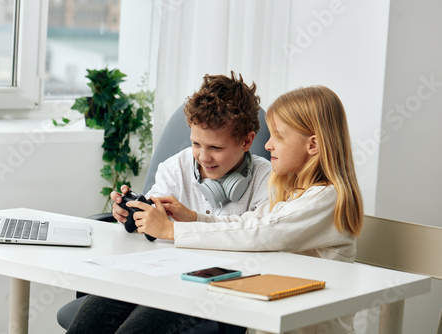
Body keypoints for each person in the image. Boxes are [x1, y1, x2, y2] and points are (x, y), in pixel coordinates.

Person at [130, 86, 364, 334]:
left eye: (279, 137)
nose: (269, 145)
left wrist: (172, 231)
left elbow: (259, 232)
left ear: (313, 145)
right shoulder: (296, 193)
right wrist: (193, 218)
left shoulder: (325, 198)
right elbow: (246, 222)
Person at [66, 72, 272, 334]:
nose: (203, 157)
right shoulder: (177, 166)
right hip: (157, 274)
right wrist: (132, 216)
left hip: (211, 289)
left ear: (247, 141)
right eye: (196, 143)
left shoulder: (266, 178)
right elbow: (151, 222)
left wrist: (190, 221)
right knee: (88, 323)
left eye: (216, 148)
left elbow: (262, 234)